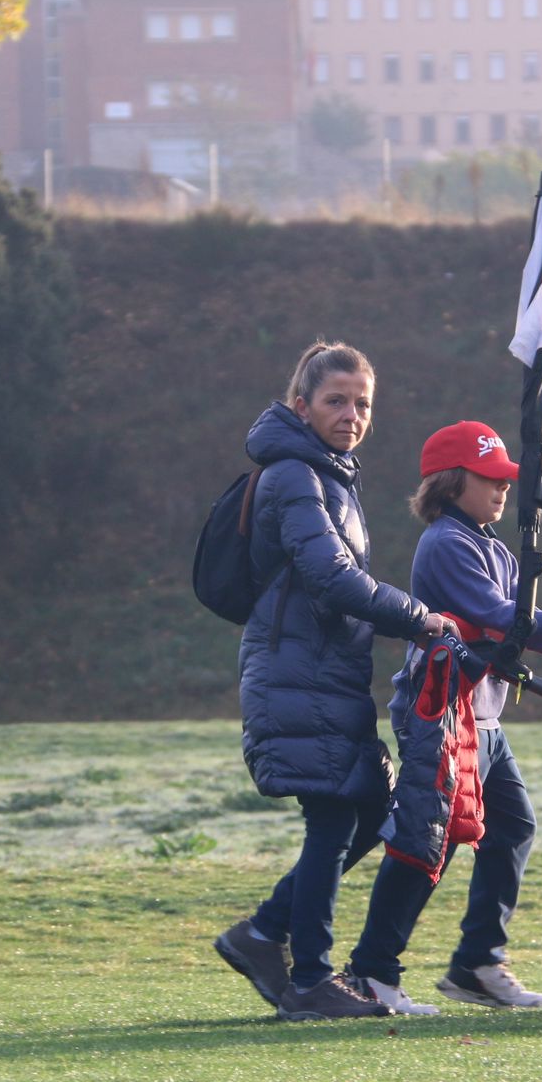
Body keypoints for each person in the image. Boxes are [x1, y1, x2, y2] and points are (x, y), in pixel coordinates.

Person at [344, 420, 542, 1015]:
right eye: (490, 479)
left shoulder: (494, 547)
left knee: (511, 829)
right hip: (443, 716)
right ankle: (372, 971)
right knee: (427, 844)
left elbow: (514, 639)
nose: (503, 490)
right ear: (452, 483)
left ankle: (477, 963)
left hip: (485, 723)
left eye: (507, 480)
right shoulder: (447, 544)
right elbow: (502, 620)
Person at [212, 342, 453, 1022]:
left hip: (326, 673)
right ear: (302, 406)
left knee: (366, 812)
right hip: (297, 673)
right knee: (333, 816)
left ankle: (262, 935)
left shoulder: (329, 475)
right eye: (336, 401)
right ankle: (312, 978)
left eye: (363, 404)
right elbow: (330, 576)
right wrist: (420, 618)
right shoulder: (295, 473)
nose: (351, 415)